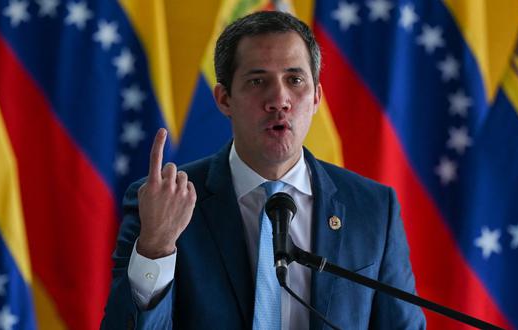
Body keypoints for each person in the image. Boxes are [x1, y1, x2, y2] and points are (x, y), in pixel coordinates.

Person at [102, 10, 425, 329]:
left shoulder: (372, 207)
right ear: (224, 99)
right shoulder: (163, 202)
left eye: (294, 80)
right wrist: (156, 248)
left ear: (315, 97)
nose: (279, 99)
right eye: (258, 81)